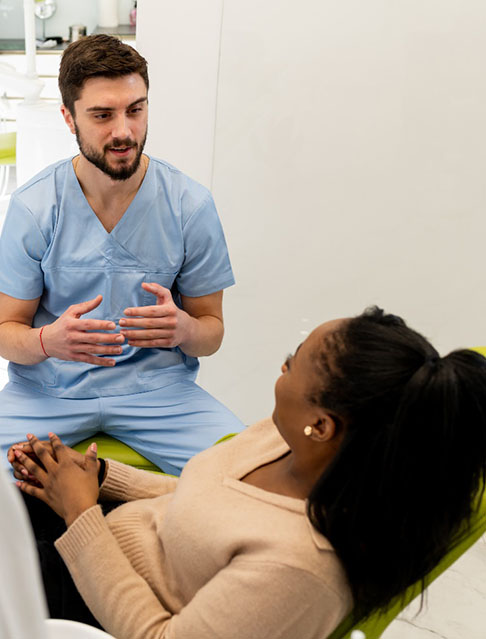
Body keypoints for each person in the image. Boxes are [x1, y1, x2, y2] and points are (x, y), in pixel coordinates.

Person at [9, 307, 486, 639]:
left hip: (100, 605)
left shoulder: (298, 571)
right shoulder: (288, 440)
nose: (281, 367)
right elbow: (206, 497)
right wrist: (101, 477)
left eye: (292, 363)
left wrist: (81, 514)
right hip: (104, 536)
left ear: (322, 425)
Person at [0, 34, 243, 475]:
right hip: (47, 395)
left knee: (250, 476)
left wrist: (184, 328)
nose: (124, 132)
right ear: (69, 119)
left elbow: (212, 333)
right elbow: (5, 332)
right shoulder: (35, 208)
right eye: (102, 115)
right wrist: (47, 341)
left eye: (136, 109)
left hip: (159, 395)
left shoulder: (189, 205)